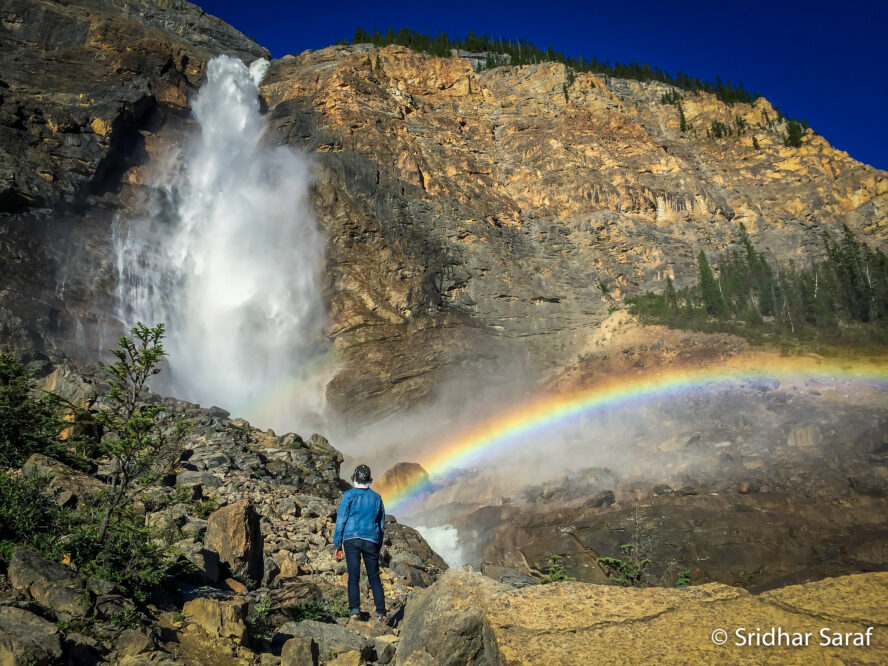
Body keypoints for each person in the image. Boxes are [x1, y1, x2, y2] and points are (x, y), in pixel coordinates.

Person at [333, 464, 387, 620]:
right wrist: (378, 546)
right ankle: (381, 612)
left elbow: (341, 520)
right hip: (371, 539)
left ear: (354, 478)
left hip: (351, 539)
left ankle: (355, 610)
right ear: (370, 479)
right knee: (374, 577)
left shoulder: (349, 495)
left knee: (353, 576)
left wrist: (337, 545)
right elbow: (381, 525)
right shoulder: (377, 498)